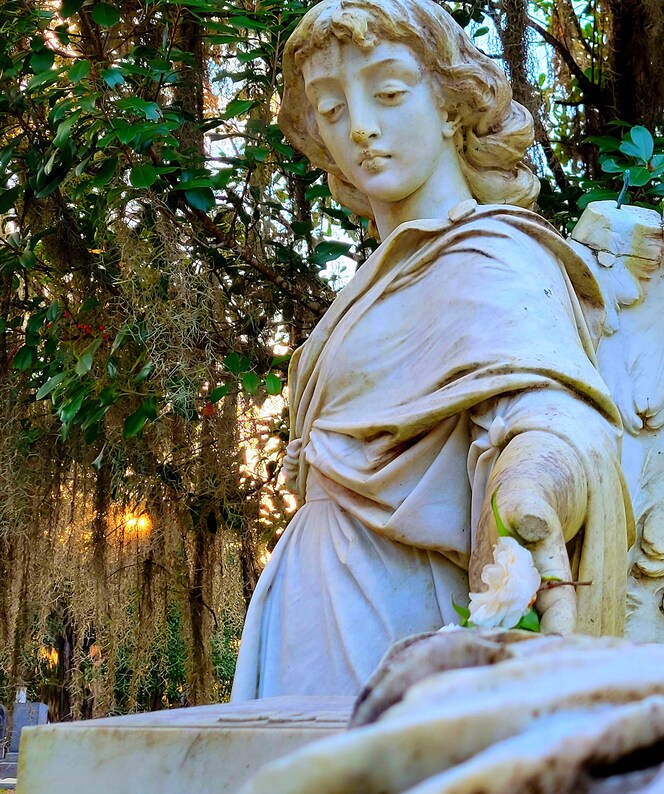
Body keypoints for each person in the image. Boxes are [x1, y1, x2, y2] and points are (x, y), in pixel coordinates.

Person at [232, 0, 633, 699]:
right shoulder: (370, 287)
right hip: (315, 598)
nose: (359, 127)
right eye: (331, 111)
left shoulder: (495, 256)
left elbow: (553, 415)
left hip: (391, 611)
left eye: (388, 94)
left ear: (450, 106)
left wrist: (530, 483)